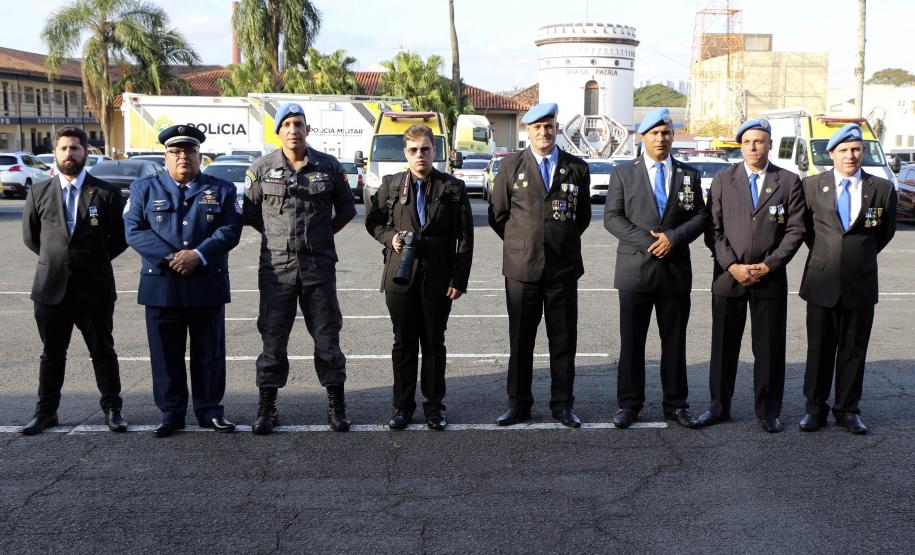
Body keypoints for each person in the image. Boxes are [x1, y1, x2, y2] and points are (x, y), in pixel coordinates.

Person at [243, 103, 357, 434]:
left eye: (299, 124)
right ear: (278, 131)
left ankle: (337, 406)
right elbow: (250, 214)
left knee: (327, 338)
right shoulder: (261, 169)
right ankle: (267, 408)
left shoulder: (329, 166)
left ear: (308, 129)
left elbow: (347, 209)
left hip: (318, 266)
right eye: (287, 124)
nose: (293, 129)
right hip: (276, 267)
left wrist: (321, 236)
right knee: (273, 339)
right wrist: (277, 238)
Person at [124, 125, 243, 438]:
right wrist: (170, 257)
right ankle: (171, 413)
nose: (182, 157)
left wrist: (198, 255)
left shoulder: (222, 189)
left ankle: (210, 411)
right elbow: (134, 230)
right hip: (162, 284)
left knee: (210, 353)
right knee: (165, 355)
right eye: (176, 152)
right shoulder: (144, 189)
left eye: (189, 151)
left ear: (199, 156)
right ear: (166, 157)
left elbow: (230, 230)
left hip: (206, 282)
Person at [696, 119, 805, 433]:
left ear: (770, 144)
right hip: (729, 276)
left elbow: (796, 229)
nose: (753, 147)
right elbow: (713, 229)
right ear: (740, 146)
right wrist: (732, 265)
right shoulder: (722, 179)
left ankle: (768, 411)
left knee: (769, 348)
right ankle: (718, 407)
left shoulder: (787, 181)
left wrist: (770, 265)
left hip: (769, 277)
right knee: (723, 346)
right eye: (747, 142)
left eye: (760, 141)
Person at [488, 102, 591, 428]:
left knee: (563, 341)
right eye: (537, 127)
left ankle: (563, 405)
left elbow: (582, 217)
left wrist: (555, 239)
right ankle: (518, 405)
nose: (544, 132)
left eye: (549, 126)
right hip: (522, 268)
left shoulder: (576, 167)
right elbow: (498, 215)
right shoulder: (510, 166)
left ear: (556, 129)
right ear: (527, 131)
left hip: (562, 268)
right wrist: (525, 241)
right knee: (521, 341)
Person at [604, 108, 708, 429]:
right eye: (654, 134)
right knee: (632, 342)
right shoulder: (624, 173)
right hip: (635, 271)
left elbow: (701, 216)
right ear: (642, 138)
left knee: (674, 342)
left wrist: (672, 238)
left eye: (666, 133)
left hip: (674, 272)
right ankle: (629, 405)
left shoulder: (688, 174)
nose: (660, 139)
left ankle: (676, 404)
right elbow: (612, 217)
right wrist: (651, 241)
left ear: (673, 136)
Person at [365, 125, 474, 431]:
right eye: (413, 150)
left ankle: (434, 407)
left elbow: (465, 238)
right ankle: (402, 407)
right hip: (400, 277)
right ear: (405, 153)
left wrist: (459, 279)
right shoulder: (391, 185)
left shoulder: (452, 188)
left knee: (434, 344)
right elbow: (372, 222)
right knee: (403, 344)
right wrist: (390, 238)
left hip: (439, 279)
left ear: (434, 151)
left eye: (425, 149)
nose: (419, 155)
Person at [20, 126, 128, 435]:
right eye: (64, 148)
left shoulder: (106, 193)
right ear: (55, 153)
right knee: (52, 354)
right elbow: (32, 238)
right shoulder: (38, 191)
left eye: (75, 148)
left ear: (86, 153)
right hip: (51, 288)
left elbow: (119, 239)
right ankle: (46, 413)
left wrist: (90, 261)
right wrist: (59, 260)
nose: (69, 153)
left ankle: (112, 410)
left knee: (103, 351)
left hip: (94, 288)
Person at [797, 123, 896, 434]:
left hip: (860, 282)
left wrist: (856, 256)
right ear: (831, 154)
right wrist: (830, 256)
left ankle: (847, 409)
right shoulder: (811, 186)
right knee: (819, 350)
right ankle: (815, 409)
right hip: (822, 281)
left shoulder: (882, 189)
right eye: (843, 150)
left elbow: (885, 233)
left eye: (856, 149)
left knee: (854, 350)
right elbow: (808, 233)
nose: (850, 155)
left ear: (863, 152)